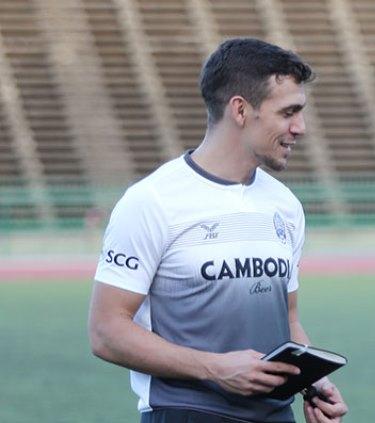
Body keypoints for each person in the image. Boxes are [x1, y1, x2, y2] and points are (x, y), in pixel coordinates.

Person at [88, 38, 347, 423]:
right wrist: (214, 367)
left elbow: (288, 320)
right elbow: (106, 331)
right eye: (288, 112)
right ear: (241, 109)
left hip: (277, 414)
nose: (301, 128)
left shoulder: (284, 205)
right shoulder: (153, 201)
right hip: (186, 413)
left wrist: (314, 383)